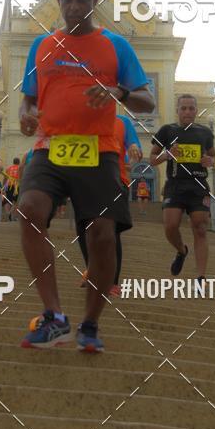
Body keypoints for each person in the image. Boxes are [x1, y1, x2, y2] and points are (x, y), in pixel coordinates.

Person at [17, 0, 154, 351]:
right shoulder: (42, 47)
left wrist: (117, 92)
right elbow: (30, 96)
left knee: (102, 237)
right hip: (50, 147)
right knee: (28, 208)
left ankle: (90, 323)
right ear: (58, 1)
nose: (74, 7)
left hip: (99, 151)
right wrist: (26, 115)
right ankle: (55, 316)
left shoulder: (116, 46)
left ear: (95, 1)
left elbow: (147, 100)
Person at [149, 94, 215, 285]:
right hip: (175, 186)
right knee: (170, 226)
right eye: (183, 108)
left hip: (198, 186)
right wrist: (167, 154)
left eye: (191, 108)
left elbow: (212, 156)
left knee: (200, 228)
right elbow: (152, 159)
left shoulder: (204, 133)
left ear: (196, 110)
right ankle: (181, 250)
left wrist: (209, 161)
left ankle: (201, 277)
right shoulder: (167, 131)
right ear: (177, 110)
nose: (187, 112)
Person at [78, 113, 142, 295]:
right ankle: (91, 270)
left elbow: (133, 144)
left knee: (111, 231)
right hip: (85, 180)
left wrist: (134, 149)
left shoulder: (123, 121)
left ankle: (112, 282)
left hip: (116, 180)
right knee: (84, 227)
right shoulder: (82, 117)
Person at [3, 157, 21, 221]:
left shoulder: (8, 168)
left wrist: (3, 187)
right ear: (19, 162)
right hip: (16, 186)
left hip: (8, 185)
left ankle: (7, 214)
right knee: (15, 202)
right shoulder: (20, 168)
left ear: (13, 162)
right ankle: (12, 215)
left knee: (8, 201)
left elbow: (5, 178)